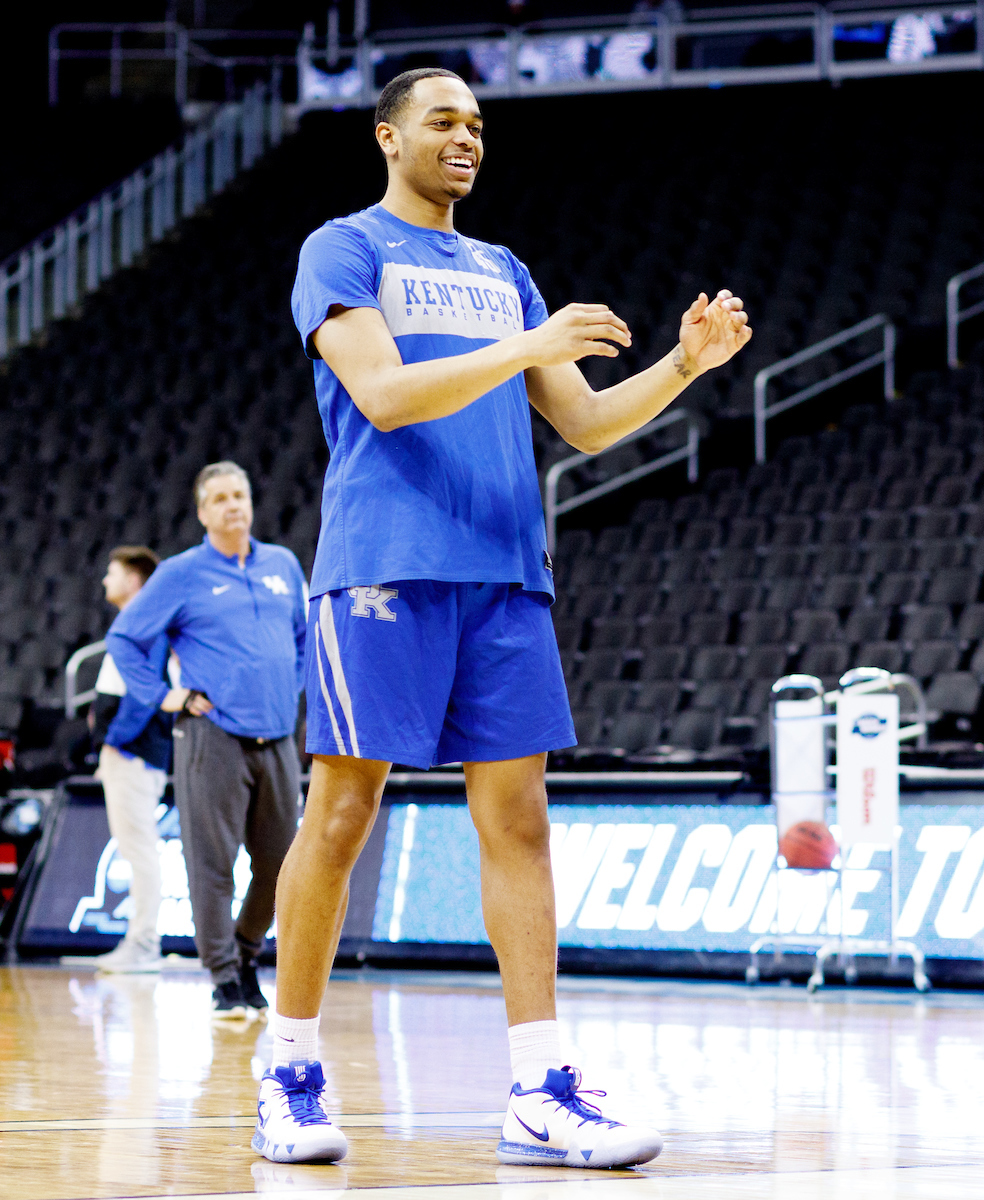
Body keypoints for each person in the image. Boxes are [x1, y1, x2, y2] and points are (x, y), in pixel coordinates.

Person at [252, 67, 751, 1167]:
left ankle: (539, 1084)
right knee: (340, 815)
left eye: (478, 124)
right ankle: (288, 1068)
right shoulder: (343, 249)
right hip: (383, 567)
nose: (467, 138)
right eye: (444, 122)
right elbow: (384, 396)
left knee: (519, 821)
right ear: (390, 137)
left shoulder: (503, 269)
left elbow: (583, 423)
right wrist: (527, 349)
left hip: (505, 572)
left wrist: (683, 362)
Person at [106, 462, 307, 1019]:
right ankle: (223, 977)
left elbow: (303, 636)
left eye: (239, 494)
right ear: (202, 512)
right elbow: (124, 638)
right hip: (210, 735)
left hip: (278, 737)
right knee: (211, 865)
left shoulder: (282, 565)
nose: (232, 505)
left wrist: (292, 689)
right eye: (218, 498)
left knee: (280, 864)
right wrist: (161, 695)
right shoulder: (181, 573)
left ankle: (245, 952)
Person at [89, 546, 173, 973]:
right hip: (129, 753)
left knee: (140, 851)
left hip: (134, 754)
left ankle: (143, 944)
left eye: (112, 572)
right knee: (136, 848)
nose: (105, 580)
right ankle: (141, 943)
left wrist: (114, 741)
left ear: (134, 581)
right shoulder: (135, 622)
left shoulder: (148, 625)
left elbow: (147, 695)